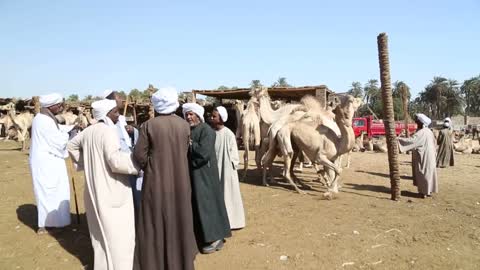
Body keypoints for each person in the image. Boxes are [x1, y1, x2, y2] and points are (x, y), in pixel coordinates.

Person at [67, 99, 139, 270]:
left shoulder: (88, 131)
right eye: (115, 112)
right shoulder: (108, 132)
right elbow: (116, 161)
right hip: (112, 189)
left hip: (94, 189)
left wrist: (88, 163)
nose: (118, 115)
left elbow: (71, 145)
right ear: (106, 114)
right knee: (119, 234)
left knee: (100, 233)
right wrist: (138, 165)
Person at [132, 88, 198, 270]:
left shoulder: (148, 126)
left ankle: (156, 262)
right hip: (180, 181)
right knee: (180, 218)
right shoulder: (184, 125)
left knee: (156, 221)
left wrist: (151, 165)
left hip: (156, 182)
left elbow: (139, 155)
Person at [183, 103, 232, 254]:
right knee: (199, 206)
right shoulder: (189, 130)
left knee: (208, 204)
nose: (189, 117)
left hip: (205, 174)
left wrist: (190, 145)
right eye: (187, 114)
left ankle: (216, 238)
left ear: (198, 115)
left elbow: (204, 153)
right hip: (196, 174)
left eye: (191, 114)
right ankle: (205, 236)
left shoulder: (207, 131)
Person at [29, 93, 72, 235]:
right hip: (46, 162)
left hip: (49, 161)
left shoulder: (44, 118)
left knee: (56, 190)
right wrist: (70, 135)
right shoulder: (43, 121)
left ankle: (57, 221)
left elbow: (57, 130)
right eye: (59, 105)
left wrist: (69, 128)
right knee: (47, 191)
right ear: (51, 106)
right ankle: (46, 224)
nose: (61, 108)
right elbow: (58, 141)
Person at [104, 90, 142, 209]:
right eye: (119, 97)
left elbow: (126, 138)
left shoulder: (120, 118)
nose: (122, 99)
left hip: (130, 158)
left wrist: (132, 131)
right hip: (120, 162)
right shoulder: (107, 123)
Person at [210, 106, 246, 230]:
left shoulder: (228, 134)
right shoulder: (212, 133)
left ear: (221, 118)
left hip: (227, 170)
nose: (211, 118)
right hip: (216, 169)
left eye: (214, 116)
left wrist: (231, 168)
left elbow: (234, 155)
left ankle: (233, 221)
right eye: (212, 116)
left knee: (229, 194)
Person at [398, 113, 438, 198]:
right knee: (429, 174)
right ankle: (428, 191)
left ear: (421, 123)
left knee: (423, 173)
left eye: (417, 122)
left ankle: (423, 193)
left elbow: (412, 141)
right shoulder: (429, 132)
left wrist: (398, 140)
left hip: (424, 157)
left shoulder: (422, 133)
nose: (416, 124)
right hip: (430, 156)